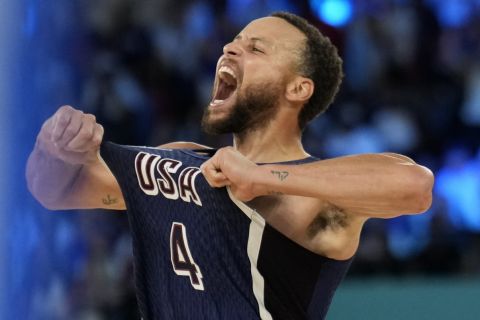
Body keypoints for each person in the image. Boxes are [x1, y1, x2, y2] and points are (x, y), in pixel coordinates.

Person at [26, 12, 434, 320]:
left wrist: (262, 178)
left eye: (256, 49)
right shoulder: (181, 161)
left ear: (298, 88)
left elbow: (415, 185)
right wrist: (53, 149)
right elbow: (53, 191)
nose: (230, 49)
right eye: (233, 42)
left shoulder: (316, 198)